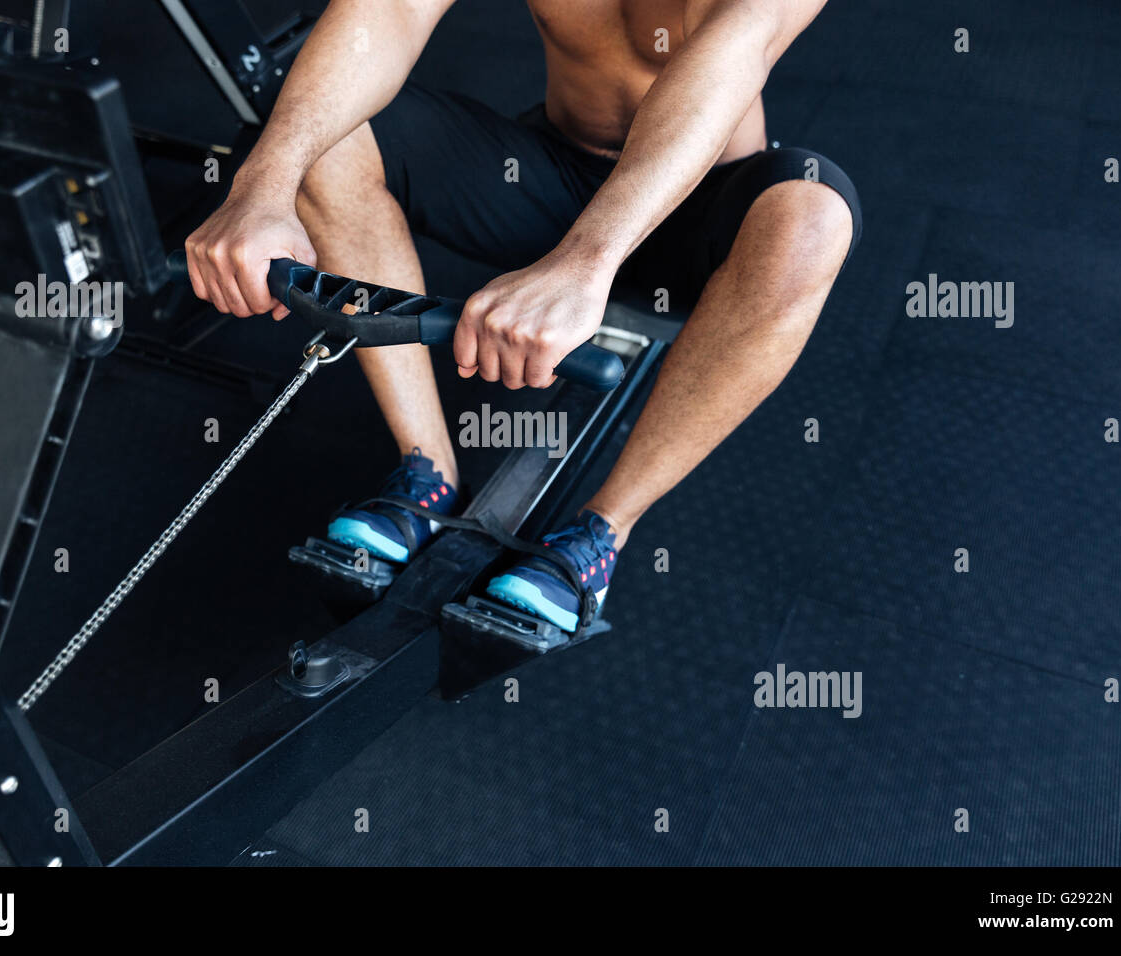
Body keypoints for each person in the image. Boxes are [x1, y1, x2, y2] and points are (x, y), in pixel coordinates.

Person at [184, 0, 861, 633]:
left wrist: (587, 261)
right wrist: (261, 186)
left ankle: (602, 533)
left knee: (811, 219)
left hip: (701, 209)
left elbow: (730, 54)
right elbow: (387, 11)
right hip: (551, 178)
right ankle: (427, 474)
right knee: (320, 139)